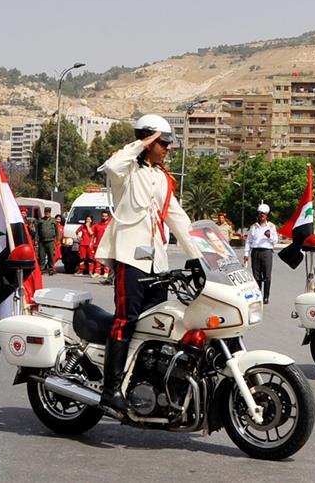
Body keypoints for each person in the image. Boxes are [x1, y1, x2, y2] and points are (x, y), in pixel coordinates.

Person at [94, 114, 203, 416]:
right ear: (150, 141)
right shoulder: (126, 170)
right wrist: (141, 142)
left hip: (157, 265)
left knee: (158, 328)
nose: (168, 148)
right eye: (163, 143)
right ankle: (110, 389)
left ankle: (149, 388)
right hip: (130, 259)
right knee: (125, 320)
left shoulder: (160, 177)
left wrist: (199, 257)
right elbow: (112, 166)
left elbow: (178, 218)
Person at [244, 203, 276, 304]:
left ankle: (266, 297)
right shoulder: (253, 227)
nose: (262, 216)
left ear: (267, 215)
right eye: (260, 214)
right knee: (256, 276)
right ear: (258, 214)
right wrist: (246, 254)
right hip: (256, 252)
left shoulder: (271, 226)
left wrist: (269, 236)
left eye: (264, 214)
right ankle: (258, 295)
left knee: (267, 276)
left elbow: (275, 241)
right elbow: (248, 241)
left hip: (266, 252)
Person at [91, 210, 112, 278]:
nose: (104, 217)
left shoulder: (110, 225)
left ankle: (106, 272)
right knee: (98, 259)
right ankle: (97, 272)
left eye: (105, 216)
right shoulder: (97, 225)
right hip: (98, 244)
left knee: (106, 259)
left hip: (107, 244)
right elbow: (92, 234)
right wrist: (91, 242)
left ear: (108, 217)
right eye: (103, 216)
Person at [37, 207, 58, 275]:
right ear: (44, 212)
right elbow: (37, 231)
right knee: (41, 256)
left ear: (50, 212)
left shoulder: (53, 220)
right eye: (46, 212)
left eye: (48, 212)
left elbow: (56, 231)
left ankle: (51, 269)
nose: (47, 213)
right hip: (42, 241)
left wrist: (57, 239)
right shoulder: (40, 220)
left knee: (51, 256)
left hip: (51, 241)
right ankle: (42, 269)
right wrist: (36, 239)